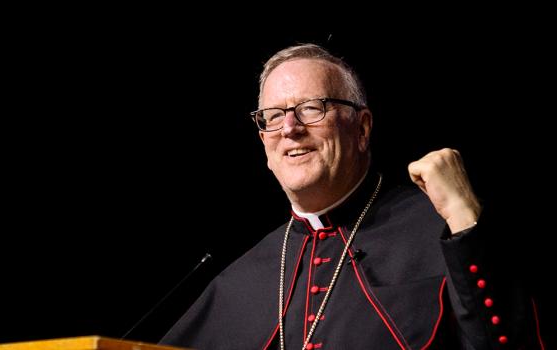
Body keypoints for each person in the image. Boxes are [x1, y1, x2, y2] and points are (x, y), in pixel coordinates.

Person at [160, 44, 544, 349]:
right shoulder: (238, 280)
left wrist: (463, 219)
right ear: (263, 139)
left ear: (361, 129)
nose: (289, 129)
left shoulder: (443, 229)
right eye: (273, 116)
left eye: (312, 108)